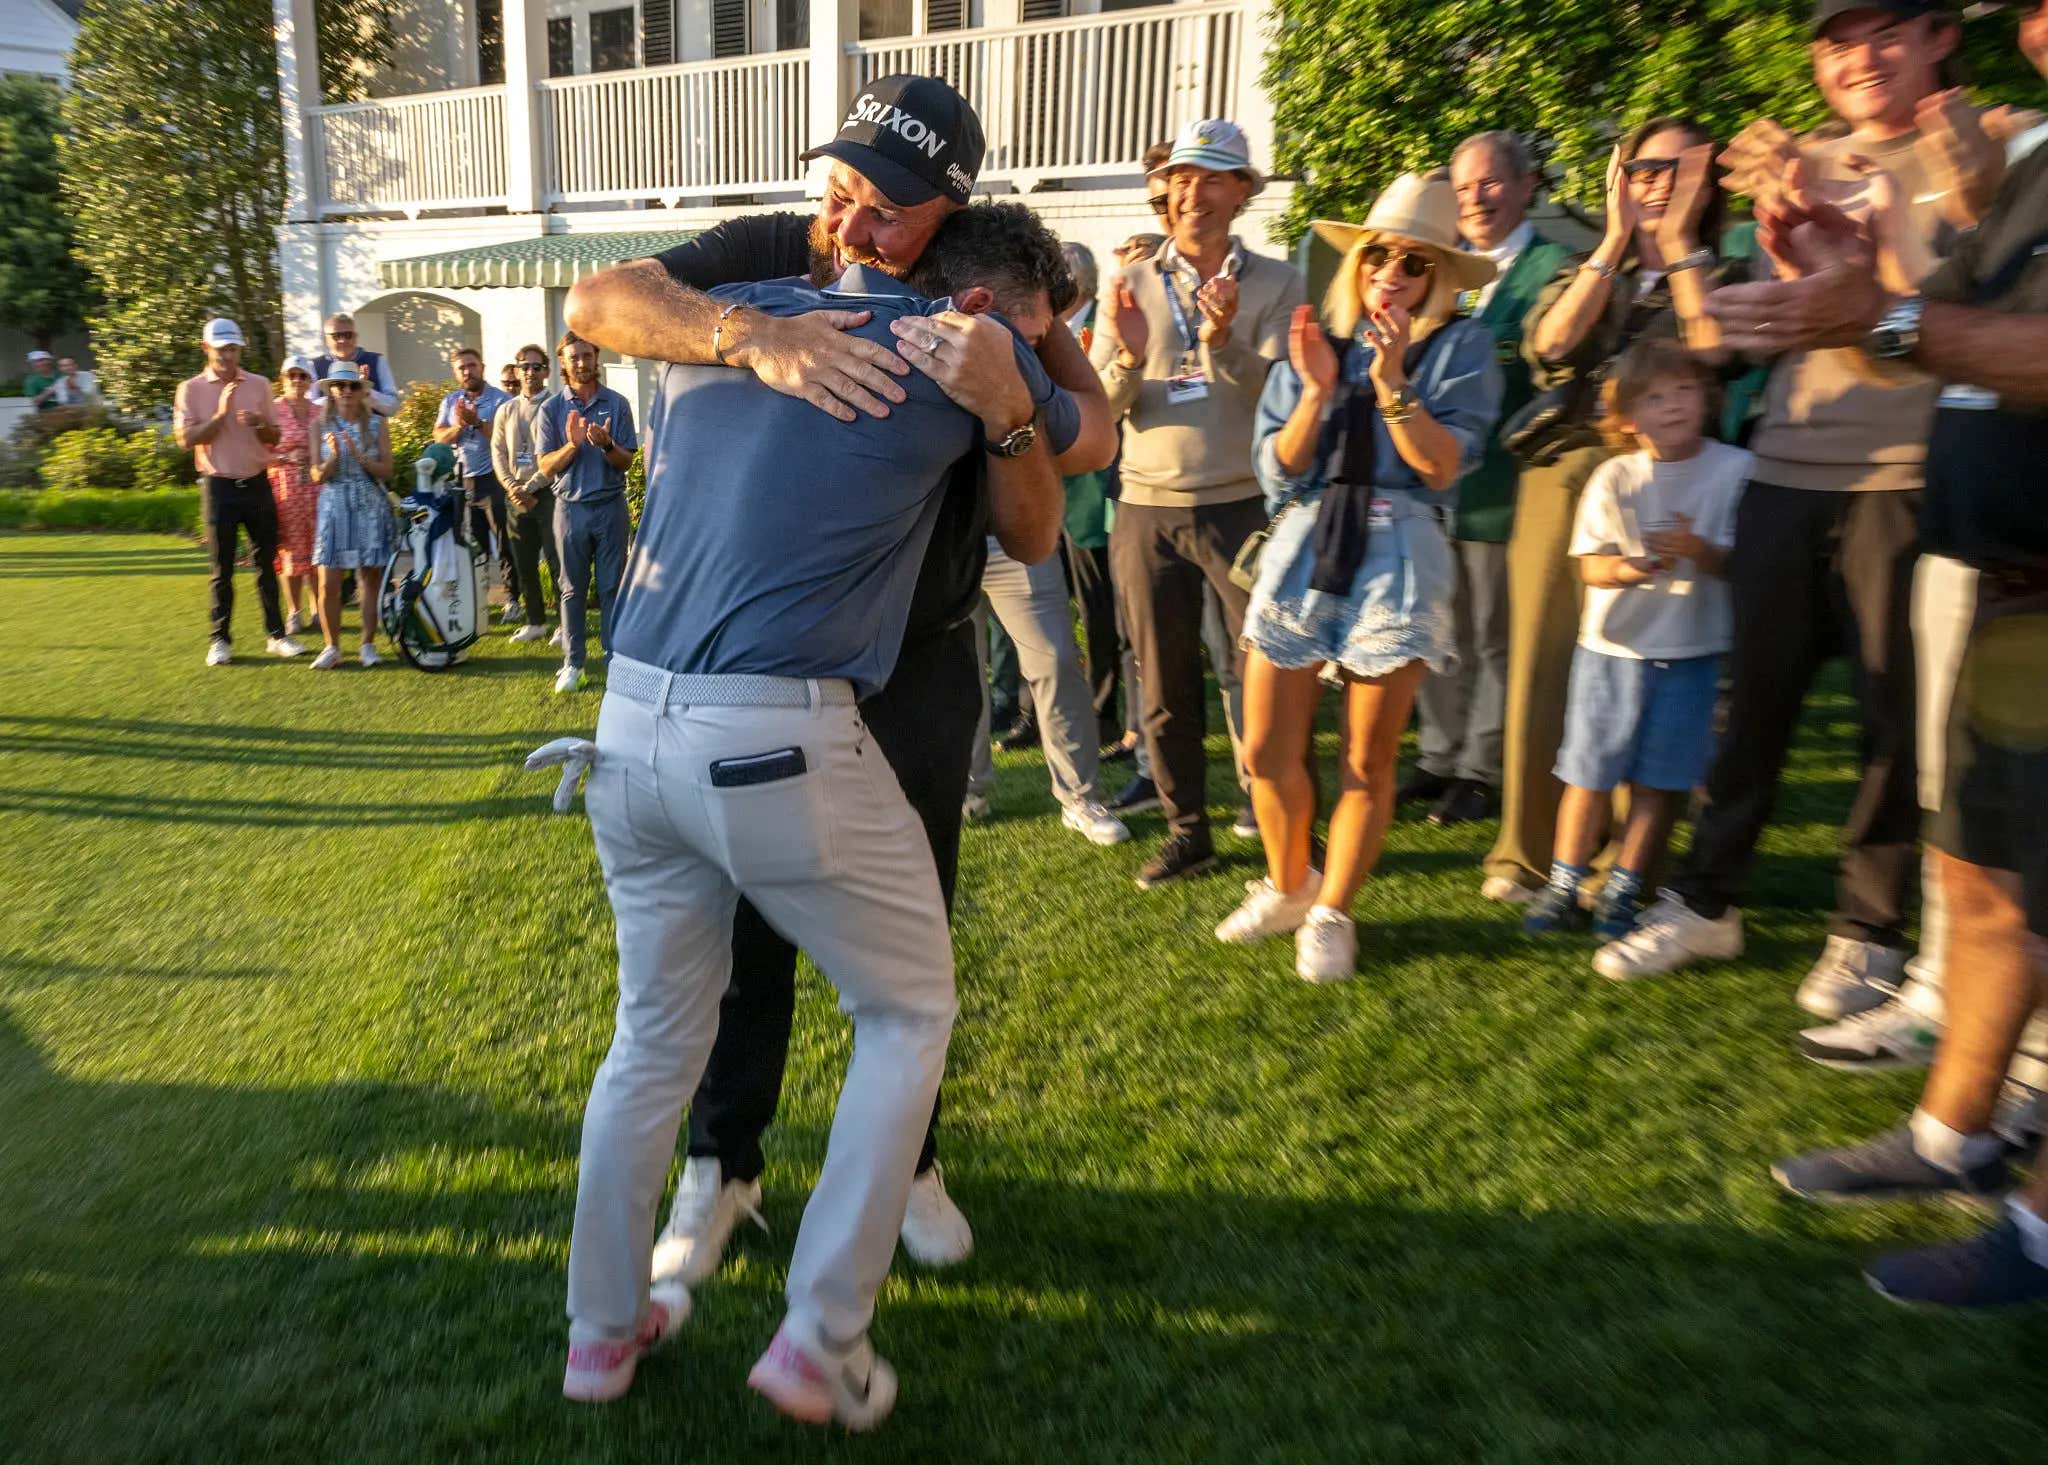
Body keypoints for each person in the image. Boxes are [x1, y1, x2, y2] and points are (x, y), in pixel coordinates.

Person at [562, 74, 1113, 1299]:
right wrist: (751, 337)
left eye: (887, 209)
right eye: (842, 186)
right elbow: (598, 299)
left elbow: (1091, 436)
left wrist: (1029, 346)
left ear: (952, 216)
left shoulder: (977, 295)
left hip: (912, 661)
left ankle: (906, 1164)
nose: (851, 223)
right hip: (761, 666)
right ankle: (722, 1165)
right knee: (735, 930)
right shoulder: (778, 247)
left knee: (911, 942)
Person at [1706, 0, 2048, 1307]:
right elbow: (1940, 320)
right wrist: (1848, 273)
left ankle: (2035, 1227)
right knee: (1979, 875)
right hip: (2007, 577)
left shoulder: (2009, 146)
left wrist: (1885, 314)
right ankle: (1953, 1132)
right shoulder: (2028, 165)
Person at [1592, 1, 2014, 999]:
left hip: (1908, 478)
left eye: (1884, 33)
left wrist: (1903, 230)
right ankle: (1705, 904)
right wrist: (1683, 239)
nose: (1859, 59)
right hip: (1781, 473)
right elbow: (1720, 343)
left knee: (1890, 721)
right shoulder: (1798, 163)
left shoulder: (1995, 143)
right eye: (1835, 43)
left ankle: (1867, 930)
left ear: (1938, 36)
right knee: (1750, 710)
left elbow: (1972, 320)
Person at [1220, 174, 1503, 981]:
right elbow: (1278, 469)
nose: (1392, 271)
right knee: (1265, 746)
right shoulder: (1315, 337)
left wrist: (1392, 381)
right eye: (1379, 254)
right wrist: (1317, 390)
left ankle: (1333, 910)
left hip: (1402, 548)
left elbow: (1441, 467)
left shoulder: (1462, 347)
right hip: (1306, 540)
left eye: (1415, 262)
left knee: (1367, 759)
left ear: (1438, 278)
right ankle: (1290, 884)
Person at [1481, 116, 1727, 906]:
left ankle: (1623, 866)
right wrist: (1615, 241)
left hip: (1671, 481)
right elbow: (1553, 343)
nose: (1659, 184)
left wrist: (1677, 242)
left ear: (1710, 179)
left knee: (1650, 669)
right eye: (1645, 169)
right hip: (1567, 473)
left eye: (1680, 169)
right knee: (1543, 665)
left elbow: (1715, 351)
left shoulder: (1722, 270)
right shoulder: (1588, 263)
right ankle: (1527, 854)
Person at [1093, 118, 1309, 888]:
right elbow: (1099, 409)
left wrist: (1223, 342)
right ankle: (1189, 829)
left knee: (1267, 677)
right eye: (1182, 177)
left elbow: (1289, 395)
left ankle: (1284, 821)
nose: (1194, 193)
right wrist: (1125, 352)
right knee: (1163, 685)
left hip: (1244, 507)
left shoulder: (1280, 282)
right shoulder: (1131, 281)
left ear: (1242, 192)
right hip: (1146, 511)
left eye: (1213, 178)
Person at [1522, 340, 1747, 943]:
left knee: (1658, 782)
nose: (1672, 405)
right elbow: (1591, 566)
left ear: (1707, 398)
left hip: (1693, 653)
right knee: (1588, 776)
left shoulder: (1734, 469)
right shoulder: (1613, 476)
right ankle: (1564, 886)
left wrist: (1698, 550)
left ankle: (1623, 888)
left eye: (1684, 391)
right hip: (1612, 653)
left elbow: (1741, 563)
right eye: (1653, 398)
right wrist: (1632, 567)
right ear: (1624, 418)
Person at [1401, 131, 1573, 827]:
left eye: (1492, 182)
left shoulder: (1553, 268)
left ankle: (1481, 767)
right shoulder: (1436, 264)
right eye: (1465, 186)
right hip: (1430, 487)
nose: (1476, 198)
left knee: (1495, 636)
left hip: (1505, 489)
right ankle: (1437, 755)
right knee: (1438, 629)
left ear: (1527, 185)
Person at [174, 318, 303, 666]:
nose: (229, 356)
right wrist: (220, 415)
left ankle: (277, 635)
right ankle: (220, 639)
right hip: (219, 487)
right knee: (222, 569)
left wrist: (259, 424)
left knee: (267, 564)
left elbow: (275, 436)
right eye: (222, 349)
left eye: (233, 349)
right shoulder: (191, 388)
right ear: (206, 349)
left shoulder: (259, 385)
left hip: (257, 483)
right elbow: (185, 440)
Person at [536, 330, 637, 694]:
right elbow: (545, 466)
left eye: (587, 355)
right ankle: (573, 664)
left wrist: (607, 444)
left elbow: (626, 461)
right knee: (571, 590)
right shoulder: (551, 409)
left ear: (596, 358)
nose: (581, 362)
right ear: (563, 363)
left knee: (612, 589)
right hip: (570, 510)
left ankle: (614, 661)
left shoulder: (617, 403)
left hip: (610, 507)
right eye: (574, 357)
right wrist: (572, 445)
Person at [1058, 240, 1123, 750]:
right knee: (1067, 615)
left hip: (1099, 495)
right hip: (1055, 497)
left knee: (1104, 614)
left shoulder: (1108, 324)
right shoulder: (1051, 334)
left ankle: (1108, 714)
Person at [306, 361, 395, 669]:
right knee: (328, 581)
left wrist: (361, 458)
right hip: (334, 505)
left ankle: (367, 644)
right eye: (339, 385)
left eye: (352, 385)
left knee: (370, 578)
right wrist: (333, 457)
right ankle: (332, 647)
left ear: (360, 391)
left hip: (369, 504)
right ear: (330, 390)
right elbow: (316, 475)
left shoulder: (377, 424)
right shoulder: (319, 426)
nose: (345, 391)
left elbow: (387, 470)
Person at [433, 347, 516, 615]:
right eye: (462, 368)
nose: (467, 372)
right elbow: (438, 437)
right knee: (472, 545)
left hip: (493, 478)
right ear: (455, 373)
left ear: (482, 367)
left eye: (471, 365)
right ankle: (478, 599)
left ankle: (513, 599)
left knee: (504, 541)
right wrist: (459, 426)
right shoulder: (450, 401)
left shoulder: (501, 400)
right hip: (463, 481)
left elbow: (507, 440)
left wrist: (477, 422)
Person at [492, 343, 561, 645]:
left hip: (548, 494)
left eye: (536, 367)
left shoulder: (556, 406)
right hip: (515, 496)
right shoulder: (506, 410)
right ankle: (535, 622)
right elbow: (497, 453)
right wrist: (513, 487)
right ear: (516, 371)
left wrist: (531, 487)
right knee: (524, 564)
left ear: (547, 371)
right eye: (524, 366)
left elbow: (559, 455)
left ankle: (564, 625)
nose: (530, 372)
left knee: (557, 563)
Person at [269, 356, 321, 636]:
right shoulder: (272, 410)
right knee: (289, 550)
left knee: (318, 549)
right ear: (283, 379)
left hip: (316, 486)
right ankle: (294, 611)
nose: (297, 381)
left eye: (302, 376)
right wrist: (286, 457)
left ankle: (318, 609)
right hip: (285, 487)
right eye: (292, 375)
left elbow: (329, 447)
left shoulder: (318, 411)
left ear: (310, 381)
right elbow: (259, 453)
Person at [311, 313, 398, 415]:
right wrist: (335, 395)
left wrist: (365, 391)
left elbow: (393, 407)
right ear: (326, 339)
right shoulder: (315, 365)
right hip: (329, 425)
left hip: (370, 424)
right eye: (336, 336)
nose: (343, 340)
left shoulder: (377, 361)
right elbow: (308, 407)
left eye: (348, 335)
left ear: (356, 337)